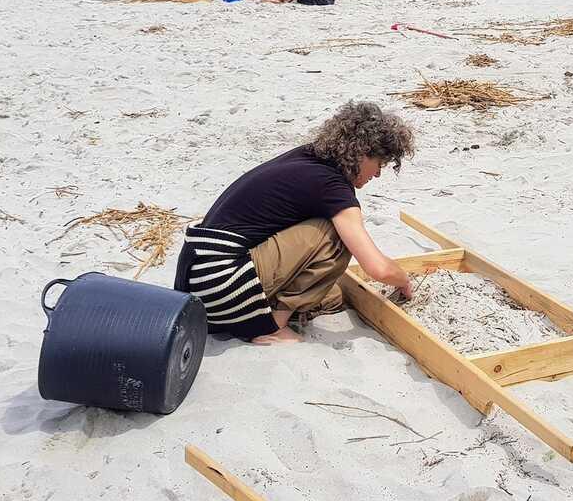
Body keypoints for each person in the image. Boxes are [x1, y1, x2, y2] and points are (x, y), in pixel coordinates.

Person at [173, 101, 415, 344]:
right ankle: (271, 326)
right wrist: (404, 280)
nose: (378, 174)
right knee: (335, 235)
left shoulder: (309, 157)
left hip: (194, 282)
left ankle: (262, 311)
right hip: (220, 285)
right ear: (363, 153)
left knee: (332, 296)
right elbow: (378, 269)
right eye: (380, 164)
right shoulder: (332, 188)